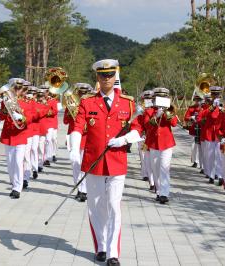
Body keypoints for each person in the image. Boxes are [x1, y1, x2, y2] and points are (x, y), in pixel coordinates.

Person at [69, 59, 141, 266]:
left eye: (110, 75)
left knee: (113, 206)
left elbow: (137, 129)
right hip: (93, 161)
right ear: (97, 77)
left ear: (116, 75)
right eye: (103, 75)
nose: (107, 79)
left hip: (117, 161)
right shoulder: (88, 102)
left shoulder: (127, 102)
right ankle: (100, 245)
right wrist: (74, 149)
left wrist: (124, 139)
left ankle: (112, 253)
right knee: (96, 206)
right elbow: (78, 126)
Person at [0, 78, 34, 199]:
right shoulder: (6, 101)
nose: (17, 90)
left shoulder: (26, 102)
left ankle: (17, 188)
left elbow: (30, 117)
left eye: (19, 88)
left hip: (20, 134)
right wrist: (5, 110)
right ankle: (14, 183)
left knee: (18, 162)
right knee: (10, 163)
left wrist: (22, 118)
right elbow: (1, 117)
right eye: (15, 88)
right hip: (8, 135)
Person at [144, 88, 178, 204]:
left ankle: (164, 193)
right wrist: (156, 115)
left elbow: (174, 123)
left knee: (164, 168)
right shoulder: (149, 111)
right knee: (156, 169)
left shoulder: (169, 110)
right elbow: (147, 126)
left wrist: (166, 112)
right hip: (154, 143)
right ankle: (158, 191)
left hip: (166, 143)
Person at [63, 83, 92, 202]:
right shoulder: (71, 104)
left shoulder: (91, 104)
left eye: (85, 93)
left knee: (85, 165)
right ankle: (79, 188)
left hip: (86, 137)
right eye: (80, 93)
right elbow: (65, 121)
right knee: (75, 164)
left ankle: (84, 190)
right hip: (73, 136)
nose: (82, 95)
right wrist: (70, 112)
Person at [184, 94, 203, 168]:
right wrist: (191, 118)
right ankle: (195, 161)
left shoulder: (203, 108)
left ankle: (202, 163)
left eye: (199, 100)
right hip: (193, 129)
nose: (198, 101)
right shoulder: (191, 108)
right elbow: (186, 117)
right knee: (194, 146)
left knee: (201, 147)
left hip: (202, 129)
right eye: (196, 100)